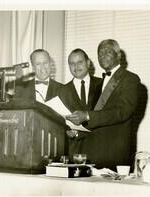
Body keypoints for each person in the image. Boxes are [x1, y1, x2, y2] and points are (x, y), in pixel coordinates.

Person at [66, 39, 141, 170]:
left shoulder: (130, 78)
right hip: (94, 156)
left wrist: (88, 116)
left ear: (118, 55)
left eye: (107, 52)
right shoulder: (99, 84)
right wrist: (77, 133)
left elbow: (122, 111)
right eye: (100, 53)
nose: (103, 55)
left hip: (114, 154)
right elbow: (96, 119)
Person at [58, 48, 102, 157]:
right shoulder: (62, 91)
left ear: (88, 63)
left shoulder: (103, 85)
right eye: (72, 63)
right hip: (75, 152)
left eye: (80, 62)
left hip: (101, 148)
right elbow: (58, 123)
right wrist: (66, 132)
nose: (76, 67)